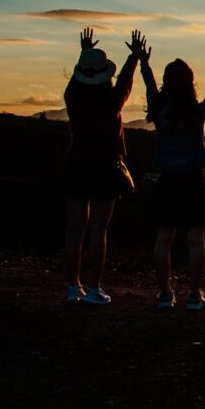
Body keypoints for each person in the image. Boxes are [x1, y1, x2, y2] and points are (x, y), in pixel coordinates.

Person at [139, 36, 205, 311]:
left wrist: (144, 62)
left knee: (164, 238)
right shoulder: (196, 113)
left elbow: (149, 86)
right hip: (193, 180)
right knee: (195, 239)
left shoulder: (158, 110)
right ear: (190, 83)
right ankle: (194, 294)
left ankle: (165, 293)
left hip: (167, 180)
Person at [62, 28, 144, 305]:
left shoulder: (72, 96)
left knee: (75, 228)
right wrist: (134, 57)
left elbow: (81, 79)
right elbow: (126, 84)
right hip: (105, 167)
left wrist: (83, 52)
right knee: (99, 229)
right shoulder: (111, 101)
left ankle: (73, 286)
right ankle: (95, 286)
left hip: (76, 163)